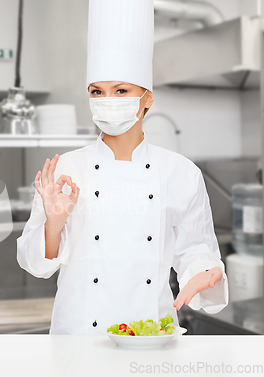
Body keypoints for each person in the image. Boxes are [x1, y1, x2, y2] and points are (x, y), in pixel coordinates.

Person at [16, 0, 228, 335]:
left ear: (147, 98)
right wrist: (54, 223)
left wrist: (206, 271)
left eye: (121, 90)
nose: (108, 100)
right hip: (79, 336)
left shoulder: (180, 172)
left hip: (152, 333)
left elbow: (196, 249)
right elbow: (34, 264)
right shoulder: (67, 168)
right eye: (97, 91)